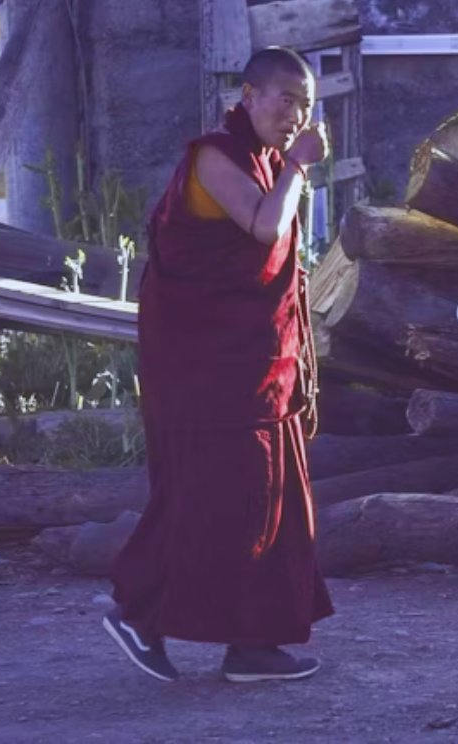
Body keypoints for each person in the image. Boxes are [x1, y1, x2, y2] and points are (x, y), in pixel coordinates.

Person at [104, 46, 335, 684]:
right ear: (248, 95)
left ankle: (254, 643)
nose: (295, 114)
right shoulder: (213, 157)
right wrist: (295, 169)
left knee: (271, 502)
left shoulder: (267, 162)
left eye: (306, 105)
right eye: (285, 99)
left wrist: (288, 169)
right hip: (207, 369)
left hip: (258, 368)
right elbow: (264, 230)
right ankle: (138, 613)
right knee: (214, 499)